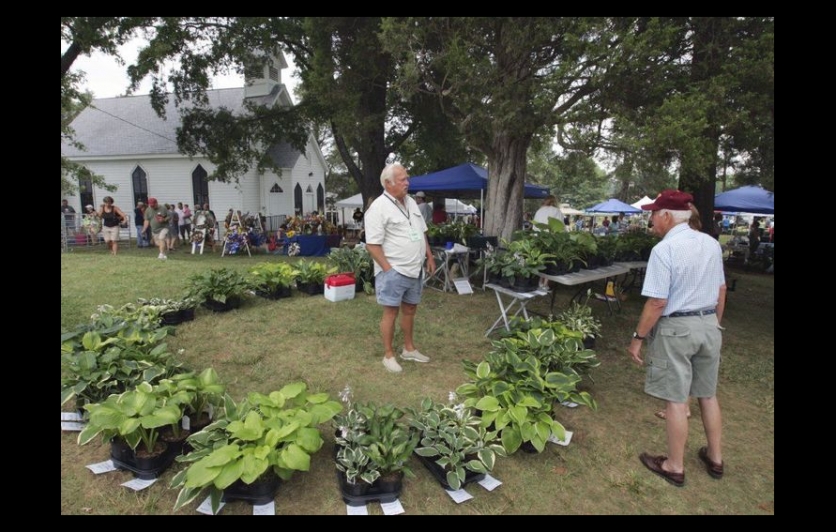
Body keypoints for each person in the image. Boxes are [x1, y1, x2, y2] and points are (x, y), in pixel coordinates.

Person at [627, 189, 726, 487]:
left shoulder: (664, 250)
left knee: (675, 399)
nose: (651, 221)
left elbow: (657, 302)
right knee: (707, 394)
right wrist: (712, 323)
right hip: (709, 324)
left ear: (667, 216)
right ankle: (716, 457)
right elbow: (721, 290)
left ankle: (674, 465)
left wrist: (638, 337)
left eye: (653, 215)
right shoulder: (711, 243)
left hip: (677, 328)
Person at [364, 163, 437, 373]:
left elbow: (421, 232)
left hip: (415, 269)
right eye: (403, 179)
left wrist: (429, 256)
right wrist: (388, 270)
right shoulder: (378, 208)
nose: (408, 182)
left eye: (407, 178)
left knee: (410, 310)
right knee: (390, 313)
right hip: (394, 271)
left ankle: (409, 349)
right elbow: (372, 245)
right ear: (388, 183)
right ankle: (388, 355)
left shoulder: (412, 202)